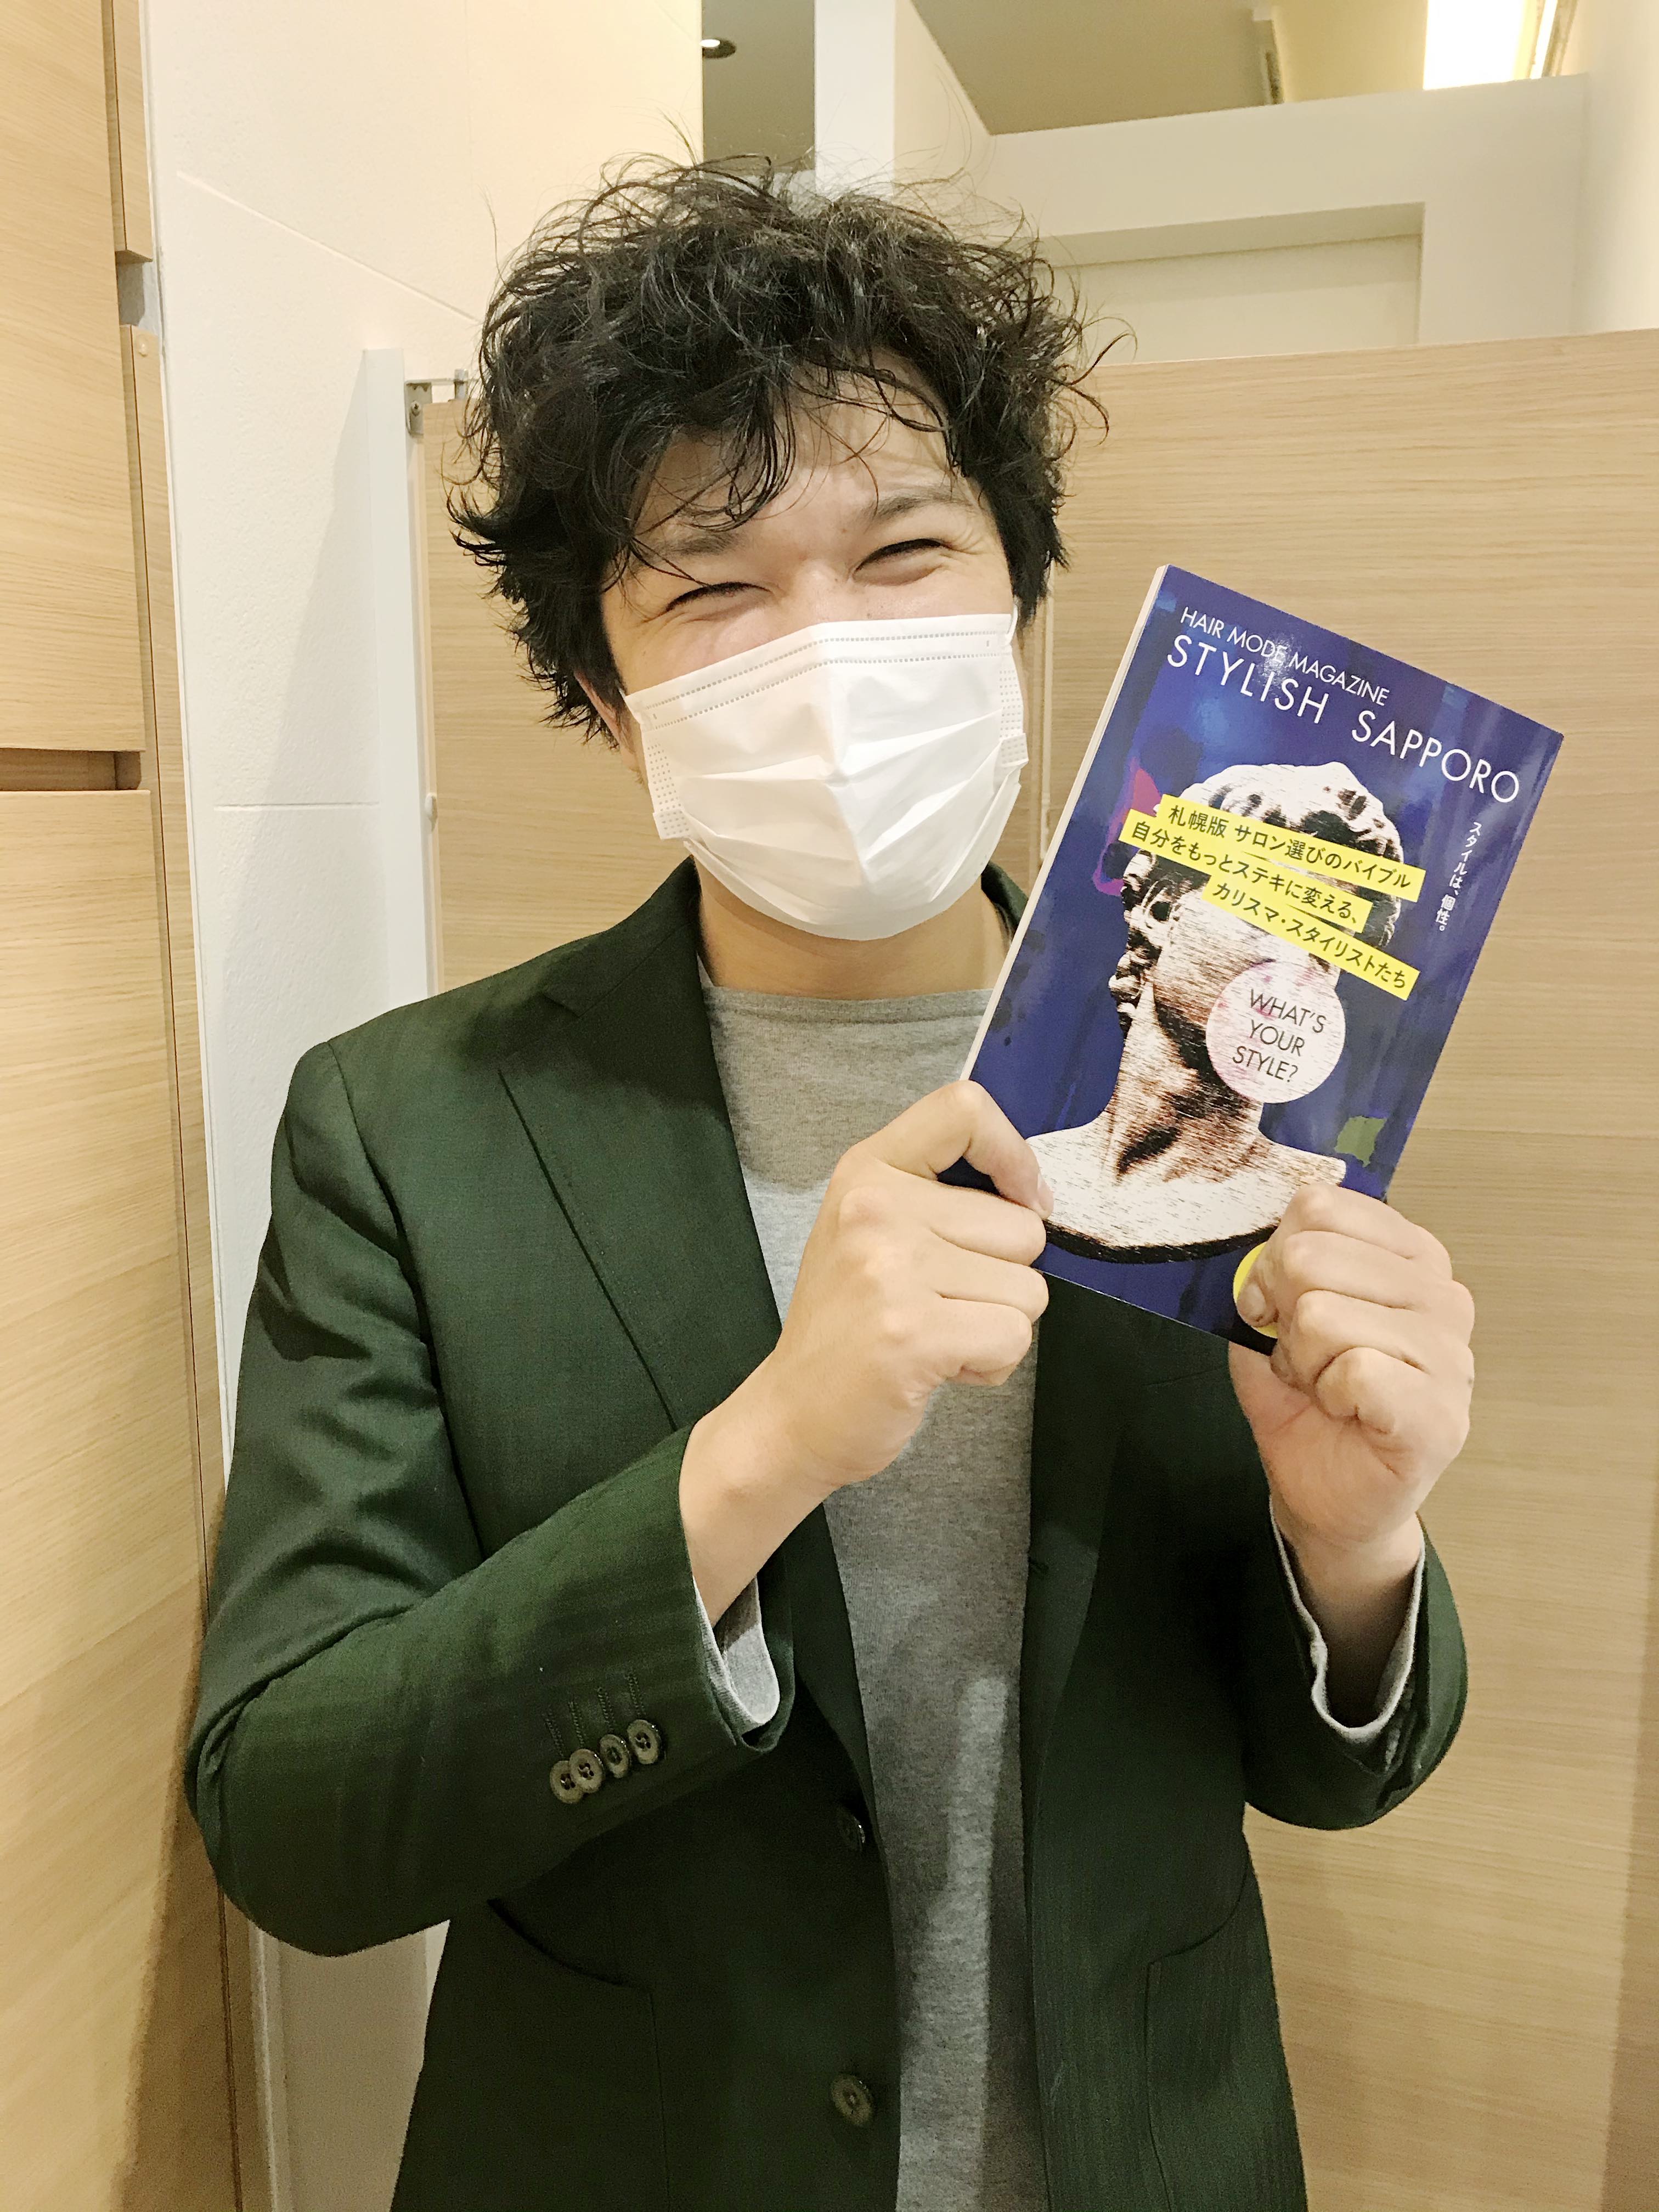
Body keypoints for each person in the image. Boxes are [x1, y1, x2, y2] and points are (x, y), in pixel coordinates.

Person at [185, 166, 1474, 2212]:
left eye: (901, 553)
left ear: (1017, 609)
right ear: (608, 703)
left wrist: (1357, 1550)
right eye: (713, 591)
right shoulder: (411, 1126)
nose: (832, 648)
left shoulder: (1235, 1073)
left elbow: (1330, 1768)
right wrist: (761, 1447)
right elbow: (296, 1820)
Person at [1032, 760, 1404, 1262]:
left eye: (1326, 943)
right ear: (1162, 910)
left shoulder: (1311, 1198)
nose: (1295, 964)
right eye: (1266, 913)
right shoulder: (1028, 1164)